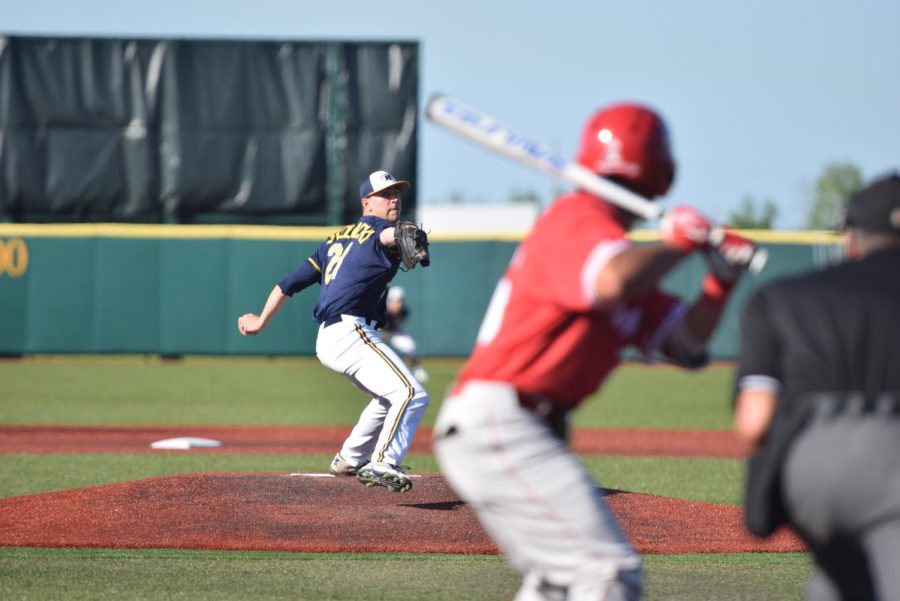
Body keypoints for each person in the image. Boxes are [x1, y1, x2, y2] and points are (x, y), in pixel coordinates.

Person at [433, 103, 758, 600]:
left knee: (560, 584)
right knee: (605, 573)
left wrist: (720, 283)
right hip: (500, 419)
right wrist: (676, 245)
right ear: (661, 174)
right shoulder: (575, 217)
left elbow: (686, 346)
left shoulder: (617, 251)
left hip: (518, 427)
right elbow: (610, 281)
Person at [734, 173, 900, 600]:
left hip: (808, 468)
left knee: (840, 581)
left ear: (850, 238)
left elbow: (753, 422)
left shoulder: (779, 296)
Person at [237, 170, 430, 493]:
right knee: (411, 394)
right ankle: (382, 460)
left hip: (331, 338)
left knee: (387, 399)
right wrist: (405, 232)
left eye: (396, 193)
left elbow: (288, 283)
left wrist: (260, 320)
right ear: (366, 202)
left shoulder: (334, 240)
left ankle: (350, 457)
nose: (394, 198)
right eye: (386, 194)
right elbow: (388, 236)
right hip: (352, 332)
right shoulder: (380, 230)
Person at [380, 286, 429, 383]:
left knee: (410, 346)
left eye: (400, 301)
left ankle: (417, 369)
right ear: (389, 301)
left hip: (392, 332)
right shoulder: (381, 310)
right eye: (396, 301)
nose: (399, 303)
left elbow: (396, 326)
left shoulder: (404, 311)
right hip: (377, 331)